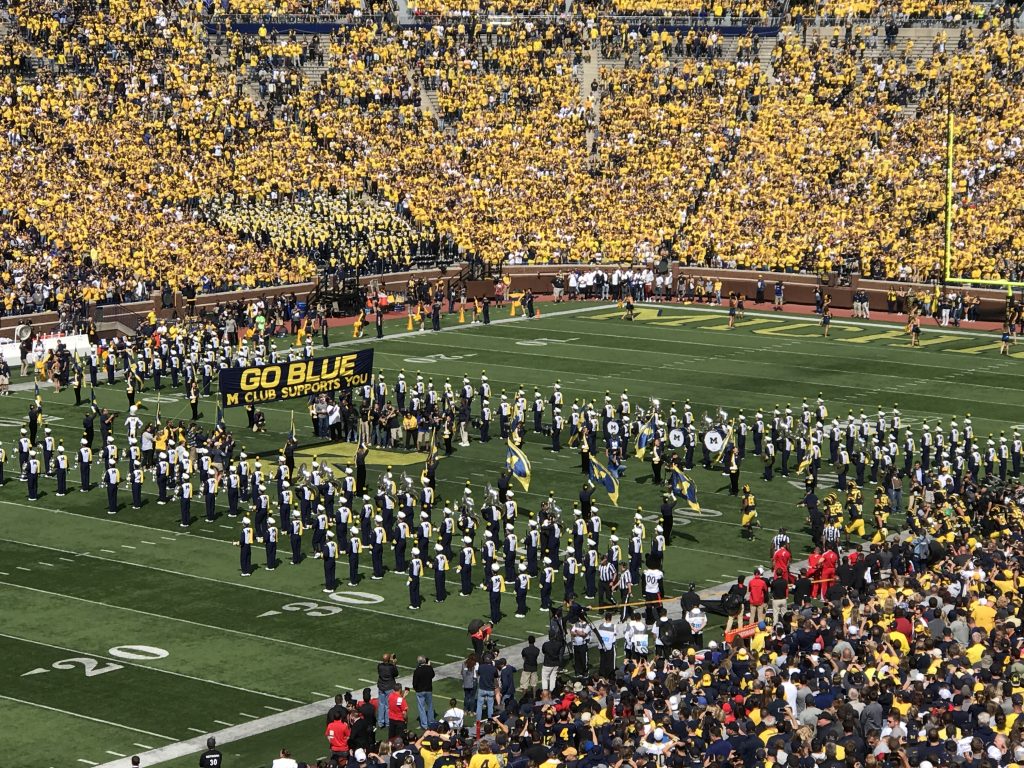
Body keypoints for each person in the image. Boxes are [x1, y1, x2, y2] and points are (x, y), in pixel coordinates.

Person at [412, 656, 435, 729]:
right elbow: (433, 675)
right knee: (430, 706)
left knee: (421, 707)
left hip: (420, 691)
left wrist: (416, 689)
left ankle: (424, 724)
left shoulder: (417, 670)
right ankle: (431, 722)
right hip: (428, 689)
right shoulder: (429, 668)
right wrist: (429, 665)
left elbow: (414, 682)